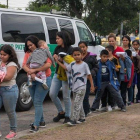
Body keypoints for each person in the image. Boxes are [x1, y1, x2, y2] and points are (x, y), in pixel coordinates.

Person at [55, 47, 95, 125]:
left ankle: (74, 119)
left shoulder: (84, 65)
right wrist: (58, 61)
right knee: (78, 102)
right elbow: (66, 68)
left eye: (78, 54)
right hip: (74, 87)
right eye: (75, 55)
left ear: (82, 55)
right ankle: (82, 117)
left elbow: (89, 75)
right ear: (72, 56)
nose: (77, 56)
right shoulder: (72, 64)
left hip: (82, 87)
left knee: (77, 103)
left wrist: (92, 86)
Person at [22, 35, 52, 132]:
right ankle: (41, 121)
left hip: (43, 79)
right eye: (28, 46)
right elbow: (24, 65)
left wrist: (34, 70)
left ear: (36, 43)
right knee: (36, 102)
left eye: (31, 45)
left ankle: (36, 125)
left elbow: (48, 64)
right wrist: (31, 72)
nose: (30, 47)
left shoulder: (43, 51)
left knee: (38, 102)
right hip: (31, 79)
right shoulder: (28, 53)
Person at [49, 31, 73, 124]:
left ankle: (68, 115)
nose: (57, 40)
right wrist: (54, 57)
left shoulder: (70, 49)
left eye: (58, 38)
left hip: (67, 75)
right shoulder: (57, 48)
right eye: (56, 38)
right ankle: (61, 111)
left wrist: (60, 59)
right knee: (52, 94)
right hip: (58, 73)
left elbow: (71, 62)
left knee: (66, 96)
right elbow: (54, 59)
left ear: (64, 38)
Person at [0, 45, 19, 139]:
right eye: (1, 54)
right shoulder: (0, 63)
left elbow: (8, 77)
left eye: (4, 55)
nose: (2, 56)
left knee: (10, 111)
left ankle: (13, 131)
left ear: (10, 55)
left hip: (9, 89)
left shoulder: (12, 64)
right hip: (1, 88)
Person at [78, 41, 98, 116]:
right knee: (80, 95)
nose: (82, 49)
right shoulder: (77, 57)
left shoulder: (91, 57)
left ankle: (86, 111)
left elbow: (96, 67)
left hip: (88, 79)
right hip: (79, 79)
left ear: (87, 47)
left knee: (85, 96)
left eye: (83, 47)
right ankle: (85, 109)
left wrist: (90, 73)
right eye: (80, 47)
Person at [101, 45, 121, 111]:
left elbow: (118, 69)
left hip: (112, 79)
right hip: (104, 79)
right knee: (103, 92)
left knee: (111, 93)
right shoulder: (103, 60)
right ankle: (103, 105)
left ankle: (111, 104)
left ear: (111, 51)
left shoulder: (115, 59)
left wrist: (114, 68)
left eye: (107, 51)